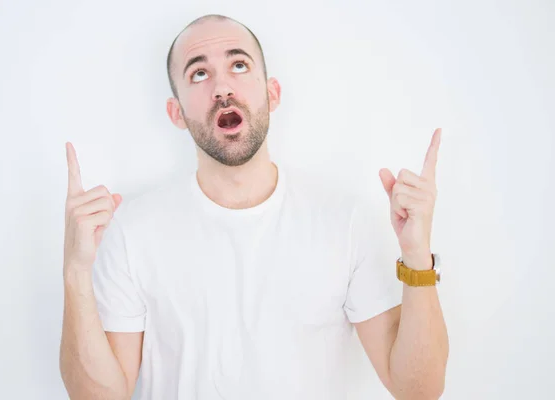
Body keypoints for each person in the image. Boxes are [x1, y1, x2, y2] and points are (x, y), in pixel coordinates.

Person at [59, 14, 449, 400]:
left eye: (239, 65)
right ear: (176, 113)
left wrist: (416, 256)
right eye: (198, 74)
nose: (221, 87)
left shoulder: (344, 220)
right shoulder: (133, 231)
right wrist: (76, 272)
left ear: (272, 93)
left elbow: (418, 390)